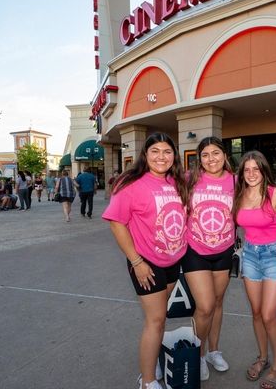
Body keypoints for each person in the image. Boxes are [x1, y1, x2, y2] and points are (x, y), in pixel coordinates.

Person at [103, 132, 188, 389]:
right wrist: (137, 262)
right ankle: (148, 380)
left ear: (174, 156)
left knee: (160, 317)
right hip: (146, 263)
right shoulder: (132, 184)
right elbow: (117, 224)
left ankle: (152, 361)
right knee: (156, 319)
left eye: (167, 152)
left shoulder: (178, 181)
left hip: (173, 260)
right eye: (155, 151)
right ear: (145, 155)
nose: (161, 157)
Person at [182, 136, 235, 381]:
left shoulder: (236, 181)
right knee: (204, 306)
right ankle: (198, 354)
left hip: (224, 250)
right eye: (205, 155)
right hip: (195, 251)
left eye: (216, 153)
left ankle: (214, 350)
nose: (211, 159)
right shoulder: (189, 179)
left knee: (218, 303)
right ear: (199, 159)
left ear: (225, 155)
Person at [233, 151, 276, 389]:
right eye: (247, 169)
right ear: (242, 173)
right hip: (250, 255)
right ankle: (262, 358)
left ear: (264, 170)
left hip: (274, 256)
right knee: (255, 313)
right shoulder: (239, 195)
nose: (252, 174)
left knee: (268, 315)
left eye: (256, 168)